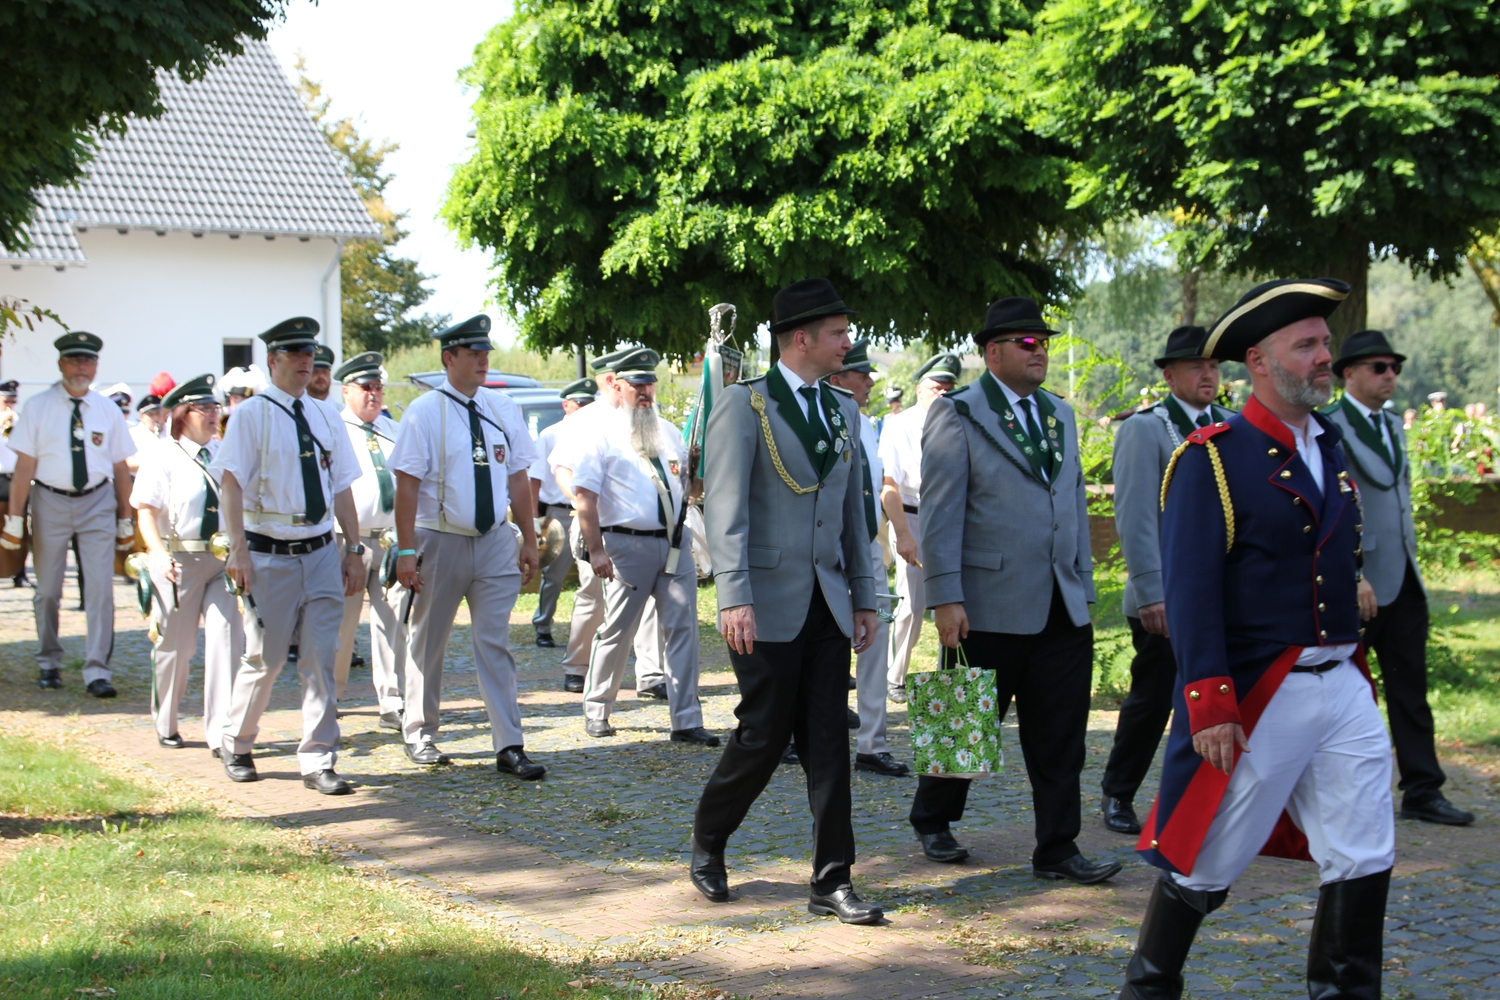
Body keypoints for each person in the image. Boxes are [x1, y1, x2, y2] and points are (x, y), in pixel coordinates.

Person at [1122, 279, 1395, 1000]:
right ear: (1260, 361)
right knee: (1206, 858)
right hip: (1262, 690)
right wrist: (1210, 702)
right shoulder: (1214, 456)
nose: (1324, 357)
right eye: (1305, 346)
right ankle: (1148, 989)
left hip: (1341, 680)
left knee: (1364, 851)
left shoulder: (1328, 443)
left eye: (1325, 343)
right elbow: (1191, 589)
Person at [691, 277, 883, 924]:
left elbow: (853, 515)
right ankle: (710, 836)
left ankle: (832, 880)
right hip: (765, 601)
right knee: (764, 735)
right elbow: (726, 508)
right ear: (801, 338)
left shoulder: (842, 410)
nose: (847, 343)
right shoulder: (744, 405)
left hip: (828, 602)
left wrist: (864, 596)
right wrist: (734, 596)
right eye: (838, 333)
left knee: (829, 741)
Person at [914, 297, 1117, 884]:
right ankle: (933, 818)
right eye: (1027, 343)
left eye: (1044, 342)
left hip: (1059, 602)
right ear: (992, 352)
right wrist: (945, 597)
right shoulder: (958, 412)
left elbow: (1071, 500)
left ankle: (1057, 848)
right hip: (985, 602)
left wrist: (1082, 582)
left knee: (1061, 737)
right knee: (964, 720)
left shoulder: (1060, 414)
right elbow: (941, 513)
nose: (1039, 351)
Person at [212, 316, 365, 794]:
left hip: (320, 550)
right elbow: (230, 485)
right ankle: (237, 741)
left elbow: (341, 487)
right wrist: (237, 549)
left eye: (310, 354)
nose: (305, 362)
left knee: (321, 656)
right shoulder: (251, 416)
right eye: (295, 354)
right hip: (268, 551)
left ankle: (318, 757)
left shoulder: (326, 415)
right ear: (272, 360)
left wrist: (354, 548)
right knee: (266, 656)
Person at [1326, 330, 1473, 826]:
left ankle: (1423, 789)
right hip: (1359, 579)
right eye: (1379, 367)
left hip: (1404, 574)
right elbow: (1335, 505)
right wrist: (1352, 572)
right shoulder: (1331, 425)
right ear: (1349, 373)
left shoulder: (1391, 423)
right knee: (1345, 691)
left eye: (1394, 368)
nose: (1390, 375)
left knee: (1411, 687)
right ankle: (1341, 792)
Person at [388, 315, 545, 776]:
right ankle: (420, 732)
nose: (482, 361)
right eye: (473, 354)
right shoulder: (424, 411)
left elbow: (518, 477)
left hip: (494, 538)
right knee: (429, 639)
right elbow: (406, 486)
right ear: (448, 358)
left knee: (494, 641)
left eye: (485, 353)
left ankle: (509, 743)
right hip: (440, 538)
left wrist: (529, 538)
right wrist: (405, 550)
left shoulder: (502, 407)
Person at [1101, 325, 1236, 835]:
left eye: (1214, 366)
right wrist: (1151, 590)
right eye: (1196, 366)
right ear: (1169, 375)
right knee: (1154, 699)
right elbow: (1135, 516)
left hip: (1221, 592)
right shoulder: (1147, 428)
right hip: (1167, 592)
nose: (1208, 375)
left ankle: (1205, 797)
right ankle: (1119, 791)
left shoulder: (1232, 425)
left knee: (1218, 698)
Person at [572, 348, 716, 746]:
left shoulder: (669, 432)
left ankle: (686, 719)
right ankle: (597, 708)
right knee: (617, 630)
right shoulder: (600, 435)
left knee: (683, 629)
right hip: (625, 545)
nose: (645, 391)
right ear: (618, 387)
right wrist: (596, 550)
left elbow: (690, 491)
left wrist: (698, 468)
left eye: (649, 383)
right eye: (636, 384)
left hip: (673, 543)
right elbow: (585, 499)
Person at [2, 333, 137, 695]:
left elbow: (120, 468)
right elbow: (24, 468)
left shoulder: (107, 409)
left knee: (100, 590)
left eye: (88, 361)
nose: (82, 367)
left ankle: (98, 671)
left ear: (96, 367)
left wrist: (125, 517)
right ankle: (48, 661)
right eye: (75, 360)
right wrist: (14, 519)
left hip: (97, 501)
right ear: (61, 363)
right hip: (50, 500)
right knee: (47, 589)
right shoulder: (38, 407)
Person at [130, 374, 243, 749]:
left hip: (221, 560)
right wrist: (158, 554)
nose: (213, 415)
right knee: (175, 647)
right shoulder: (163, 455)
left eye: (215, 407)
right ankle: (166, 721)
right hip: (178, 560)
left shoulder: (224, 452)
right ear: (182, 414)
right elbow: (146, 512)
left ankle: (222, 732)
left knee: (227, 641)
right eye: (204, 408)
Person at [550, 352, 667, 699]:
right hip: (596, 522)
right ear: (611, 381)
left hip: (639, 528)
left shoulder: (649, 416)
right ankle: (577, 665)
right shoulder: (586, 419)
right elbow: (561, 467)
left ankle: (651, 673)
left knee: (649, 600)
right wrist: (581, 503)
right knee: (592, 595)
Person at [826, 339, 908, 777]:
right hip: (827, 550)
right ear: (838, 379)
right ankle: (804, 735)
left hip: (867, 547)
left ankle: (873, 744)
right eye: (862, 375)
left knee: (876, 641)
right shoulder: (822, 418)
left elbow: (874, 488)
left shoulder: (868, 425)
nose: (870, 383)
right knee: (824, 642)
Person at [331, 352, 408, 733]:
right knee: (341, 621)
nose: (374, 394)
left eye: (378, 387)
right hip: (348, 540)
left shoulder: (393, 429)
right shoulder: (335, 429)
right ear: (346, 391)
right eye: (366, 387)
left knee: (392, 619)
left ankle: (392, 699)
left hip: (390, 539)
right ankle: (331, 694)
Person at [878, 353, 958, 704]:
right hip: (912, 513)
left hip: (950, 515)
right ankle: (894, 675)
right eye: (936, 388)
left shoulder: (959, 421)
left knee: (956, 597)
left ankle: (951, 673)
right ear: (919, 389)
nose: (943, 394)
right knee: (912, 602)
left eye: (949, 388)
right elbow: (890, 486)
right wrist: (903, 535)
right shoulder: (900, 424)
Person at [529, 376, 596, 654]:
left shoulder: (598, 431)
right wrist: (533, 522)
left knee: (593, 576)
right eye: (580, 403)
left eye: (589, 403)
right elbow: (534, 479)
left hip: (590, 510)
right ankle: (543, 625)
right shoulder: (551, 435)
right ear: (566, 405)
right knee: (554, 575)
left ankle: (593, 631)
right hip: (559, 512)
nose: (585, 408)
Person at [0, 379, 29, 588]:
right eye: (6, 401)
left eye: (13, 401)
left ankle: (20, 572)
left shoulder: (19, 420)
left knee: (20, 526)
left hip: (17, 478)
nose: (10, 405)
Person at [128, 394, 167, 472]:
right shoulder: (133, 434)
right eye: (150, 415)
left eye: (157, 413)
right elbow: (126, 463)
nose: (155, 418)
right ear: (142, 417)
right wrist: (152, 465)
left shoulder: (171, 430)